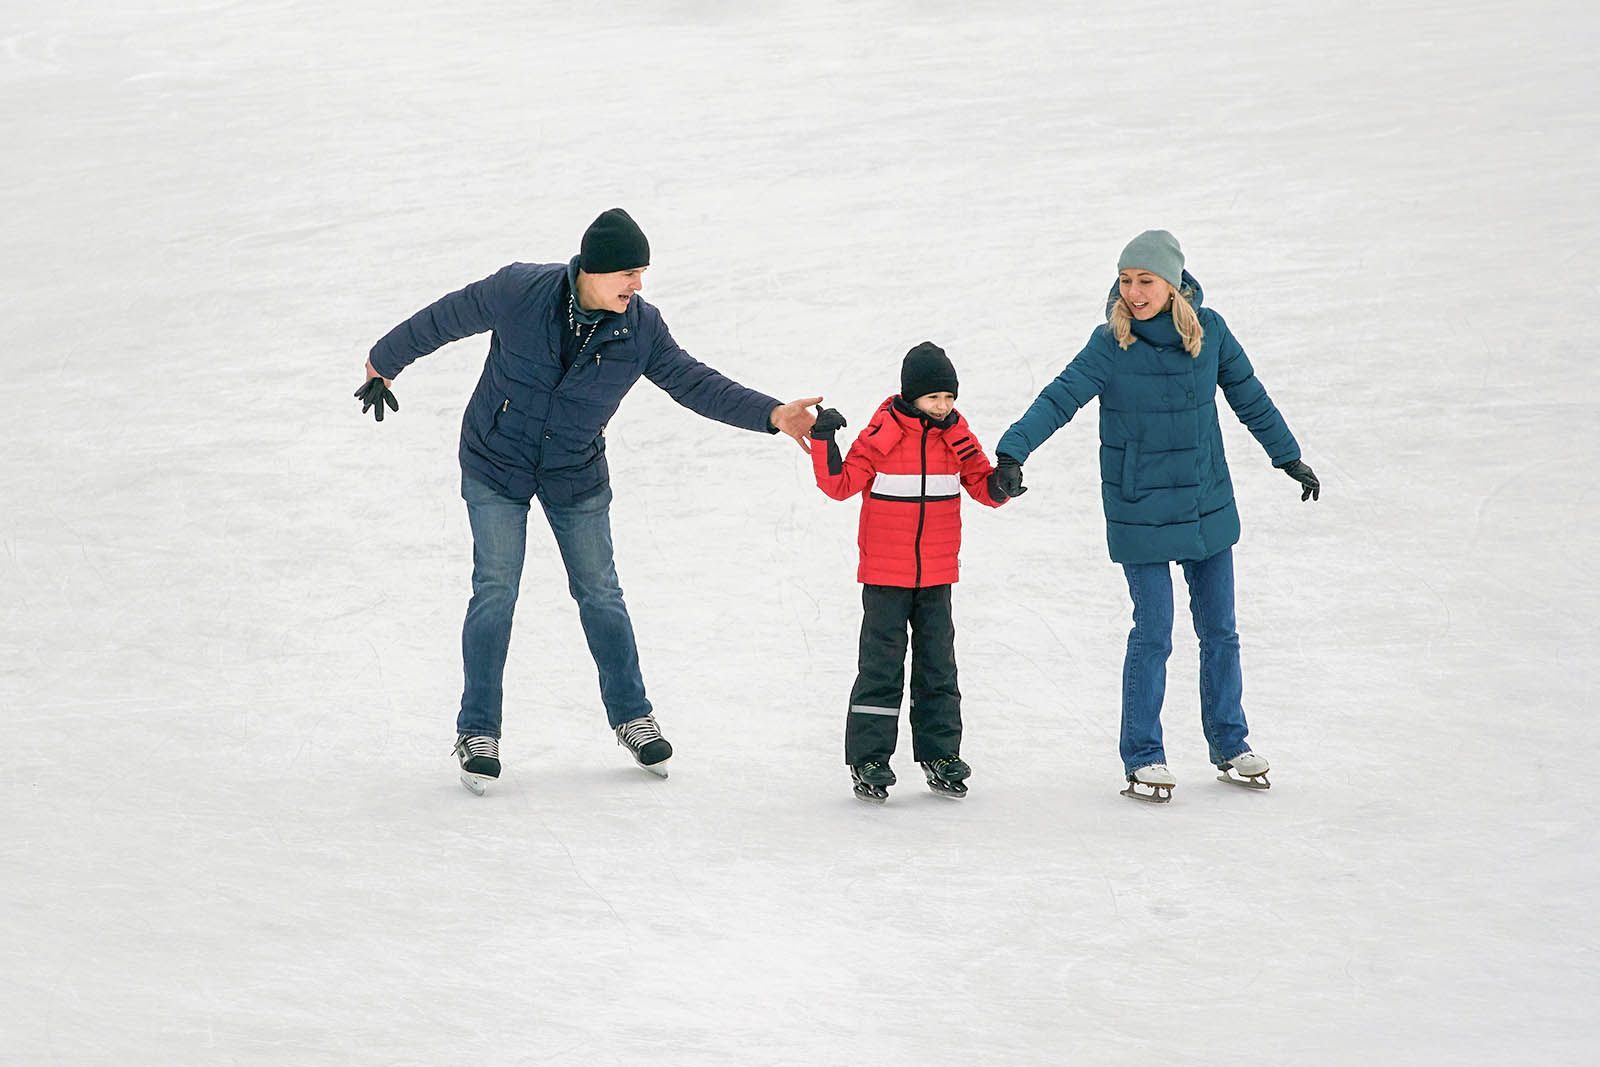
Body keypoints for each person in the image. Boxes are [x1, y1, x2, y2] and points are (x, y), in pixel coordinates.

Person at [355, 208, 821, 793]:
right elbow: (445, 317)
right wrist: (384, 361)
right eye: (629, 273)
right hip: (495, 461)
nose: (639, 286)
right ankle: (478, 730)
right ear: (593, 271)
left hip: (575, 473)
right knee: (495, 590)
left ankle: (633, 717)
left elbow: (693, 381)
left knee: (601, 591)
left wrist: (772, 415)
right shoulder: (520, 291)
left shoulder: (641, 329)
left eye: (642, 273)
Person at [992, 230, 1319, 802]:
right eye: (1126, 281)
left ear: (1173, 284)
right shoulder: (1109, 344)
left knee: (1221, 631)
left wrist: (1287, 456)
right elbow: (1059, 397)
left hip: (1204, 501)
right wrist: (1013, 451)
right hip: (1139, 505)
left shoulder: (1209, 332)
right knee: (1155, 633)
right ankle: (1144, 755)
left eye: (1146, 281)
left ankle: (1230, 741)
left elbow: (1250, 397)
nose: (1135, 292)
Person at [809, 342, 1014, 803]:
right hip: (885, 576)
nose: (943, 408)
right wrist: (824, 440)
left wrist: (1002, 485)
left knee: (938, 666)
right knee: (881, 668)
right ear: (911, 396)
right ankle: (870, 758)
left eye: (949, 398)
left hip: (936, 575)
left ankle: (940, 754)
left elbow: (981, 483)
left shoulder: (956, 435)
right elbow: (839, 485)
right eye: (933, 399)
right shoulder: (883, 434)